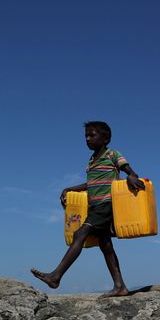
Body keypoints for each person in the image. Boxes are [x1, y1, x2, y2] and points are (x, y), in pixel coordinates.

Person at [31, 121, 145, 298]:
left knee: (80, 234)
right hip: (94, 206)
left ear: (105, 138)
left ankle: (56, 276)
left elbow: (130, 171)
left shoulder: (112, 154)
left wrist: (131, 176)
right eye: (86, 136)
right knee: (105, 245)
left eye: (92, 135)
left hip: (107, 204)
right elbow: (91, 184)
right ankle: (120, 286)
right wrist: (70, 189)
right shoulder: (91, 160)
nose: (88, 139)